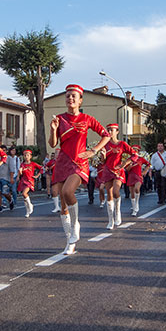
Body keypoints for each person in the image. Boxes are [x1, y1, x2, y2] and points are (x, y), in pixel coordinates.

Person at [49, 84, 110, 255]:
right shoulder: (59, 119)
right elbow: (53, 144)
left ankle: (75, 226)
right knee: (63, 205)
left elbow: (105, 135)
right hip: (62, 163)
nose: (70, 99)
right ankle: (70, 241)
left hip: (79, 163)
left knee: (68, 192)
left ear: (80, 100)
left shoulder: (87, 118)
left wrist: (93, 150)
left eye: (74, 96)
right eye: (68, 96)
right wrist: (53, 129)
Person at [97, 123, 135, 229]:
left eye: (112, 130)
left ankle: (117, 211)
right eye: (108, 130)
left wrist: (124, 164)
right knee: (109, 194)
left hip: (118, 171)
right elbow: (103, 161)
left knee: (115, 191)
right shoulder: (105, 144)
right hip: (107, 171)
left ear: (117, 132)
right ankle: (110, 220)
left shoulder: (122, 144)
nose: (109, 132)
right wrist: (103, 156)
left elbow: (134, 155)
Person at [127, 145, 150, 216]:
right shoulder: (129, 159)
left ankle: (136, 204)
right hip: (131, 177)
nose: (135, 151)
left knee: (137, 189)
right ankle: (134, 207)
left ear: (138, 151)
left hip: (138, 176)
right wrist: (129, 166)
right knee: (132, 193)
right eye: (133, 150)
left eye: (136, 150)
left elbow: (148, 164)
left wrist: (145, 171)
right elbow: (126, 169)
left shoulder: (141, 159)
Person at [18, 149, 42, 217]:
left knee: (24, 193)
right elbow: (20, 172)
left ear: (30, 156)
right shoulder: (22, 164)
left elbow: (41, 168)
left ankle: (30, 205)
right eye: (25, 155)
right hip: (23, 181)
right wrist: (19, 174)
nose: (26, 156)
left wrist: (37, 175)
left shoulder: (33, 164)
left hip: (29, 181)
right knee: (24, 197)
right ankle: (27, 210)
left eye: (28, 155)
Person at [0, 147, 14, 212]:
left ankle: (10, 200)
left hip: (5, 178)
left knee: (5, 192)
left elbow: (12, 169)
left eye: (4, 150)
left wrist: (12, 178)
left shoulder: (9, 159)